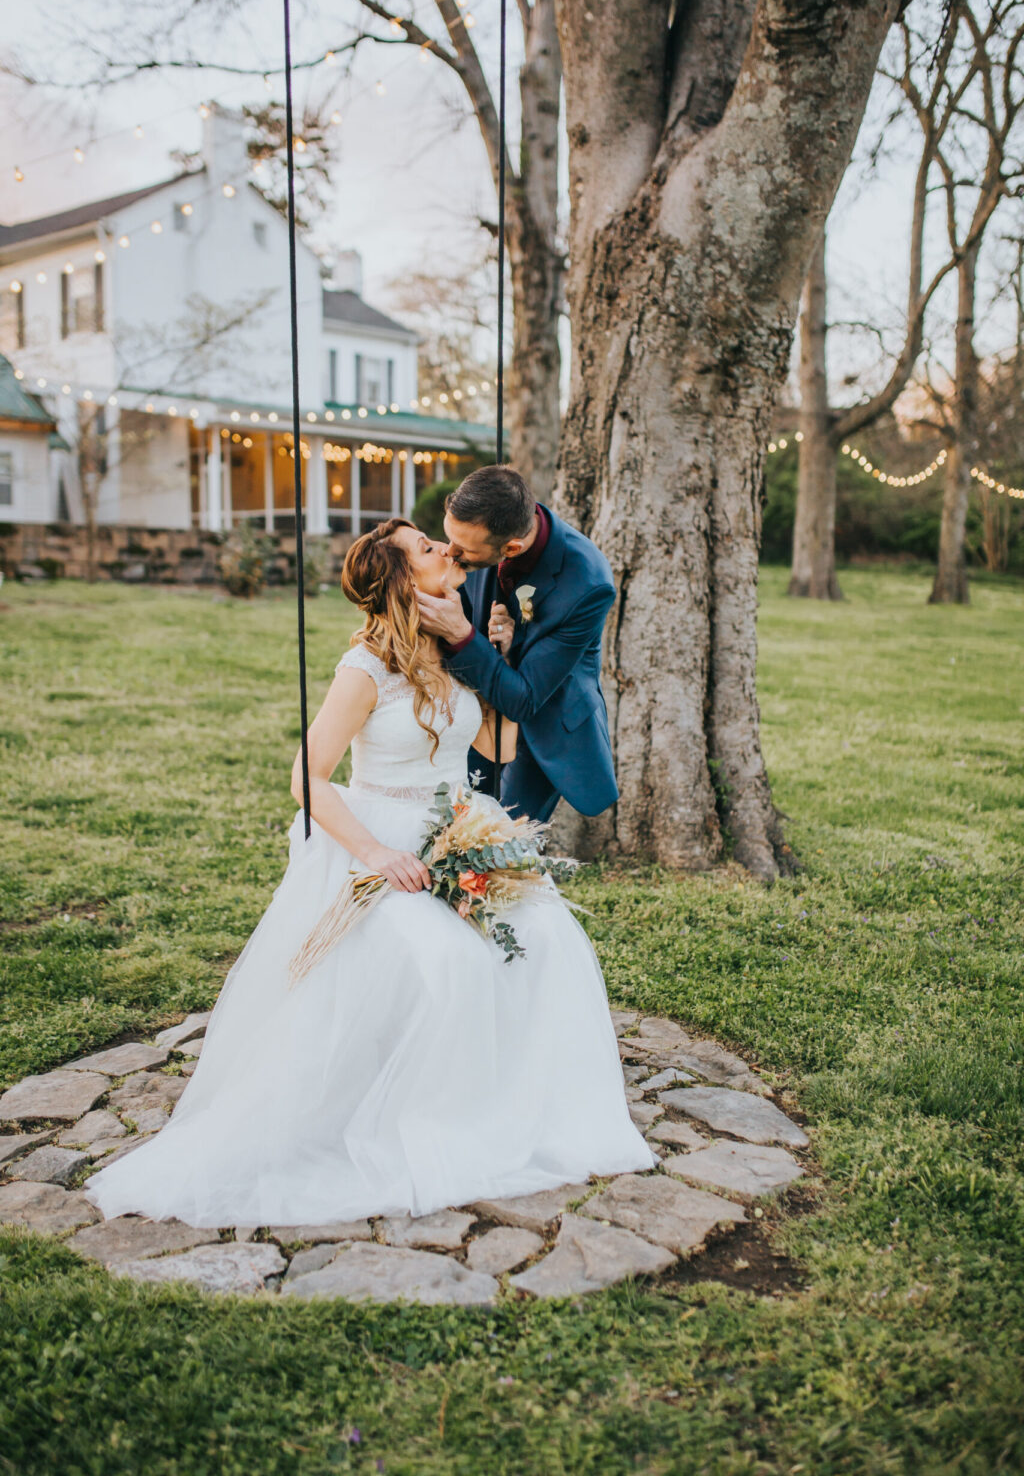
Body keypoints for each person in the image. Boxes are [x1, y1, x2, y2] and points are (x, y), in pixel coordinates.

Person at [82, 518, 655, 1228]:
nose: (446, 550)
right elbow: (307, 778)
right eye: (427, 548)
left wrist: (503, 659)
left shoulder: (456, 651)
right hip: (379, 835)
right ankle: (413, 1116)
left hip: (459, 826)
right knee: (442, 960)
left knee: (549, 939)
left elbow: (499, 745)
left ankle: (511, 1107)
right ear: (401, 582)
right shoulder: (364, 670)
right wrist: (377, 855)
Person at [414, 465, 618, 824]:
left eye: (462, 550)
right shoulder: (475, 538)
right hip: (476, 709)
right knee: (456, 826)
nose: (450, 553)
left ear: (511, 547)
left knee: (500, 842)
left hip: (544, 723)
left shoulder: (588, 583)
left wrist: (462, 634)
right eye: (448, 539)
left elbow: (524, 699)